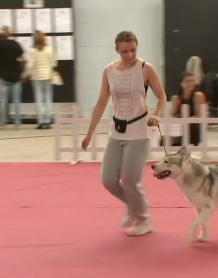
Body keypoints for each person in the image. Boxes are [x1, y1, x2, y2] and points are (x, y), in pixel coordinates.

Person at [81, 30, 167, 236]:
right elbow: (102, 102)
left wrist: (157, 114)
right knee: (108, 180)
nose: (129, 55)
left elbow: (162, 96)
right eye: (124, 51)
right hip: (116, 130)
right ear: (117, 50)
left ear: (137, 46)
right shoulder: (109, 70)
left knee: (130, 180)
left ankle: (144, 219)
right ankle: (134, 208)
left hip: (138, 131)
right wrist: (89, 133)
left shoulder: (146, 69)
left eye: (133, 50)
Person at [0, 26, 25, 129]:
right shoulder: (16, 44)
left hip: (3, 75)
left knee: (3, 100)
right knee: (17, 100)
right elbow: (23, 58)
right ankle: (18, 123)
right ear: (10, 34)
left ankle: (3, 122)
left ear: (2, 33)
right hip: (16, 75)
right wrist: (22, 71)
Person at [27, 31, 58, 129]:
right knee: (48, 98)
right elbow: (54, 63)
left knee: (39, 99)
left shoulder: (33, 50)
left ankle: (41, 121)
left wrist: (26, 74)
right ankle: (48, 121)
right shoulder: (50, 49)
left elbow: (31, 65)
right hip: (48, 75)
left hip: (36, 76)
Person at [170, 72, 207, 146]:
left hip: (194, 125)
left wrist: (185, 120)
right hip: (180, 126)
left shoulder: (199, 96)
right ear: (181, 83)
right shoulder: (176, 98)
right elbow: (171, 115)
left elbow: (201, 115)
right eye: (187, 81)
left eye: (192, 81)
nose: (190, 83)